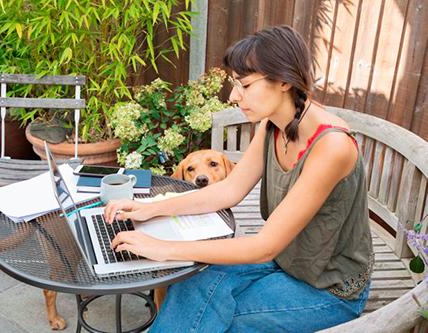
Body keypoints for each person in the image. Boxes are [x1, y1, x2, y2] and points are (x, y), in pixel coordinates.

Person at [104, 25, 373, 332]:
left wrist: (162, 246)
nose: (233, 96)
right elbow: (230, 190)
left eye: (244, 85)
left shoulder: (331, 147)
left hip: (328, 287)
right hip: (287, 261)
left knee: (220, 320)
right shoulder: (274, 124)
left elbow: (265, 246)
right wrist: (149, 208)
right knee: (191, 283)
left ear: (284, 80)